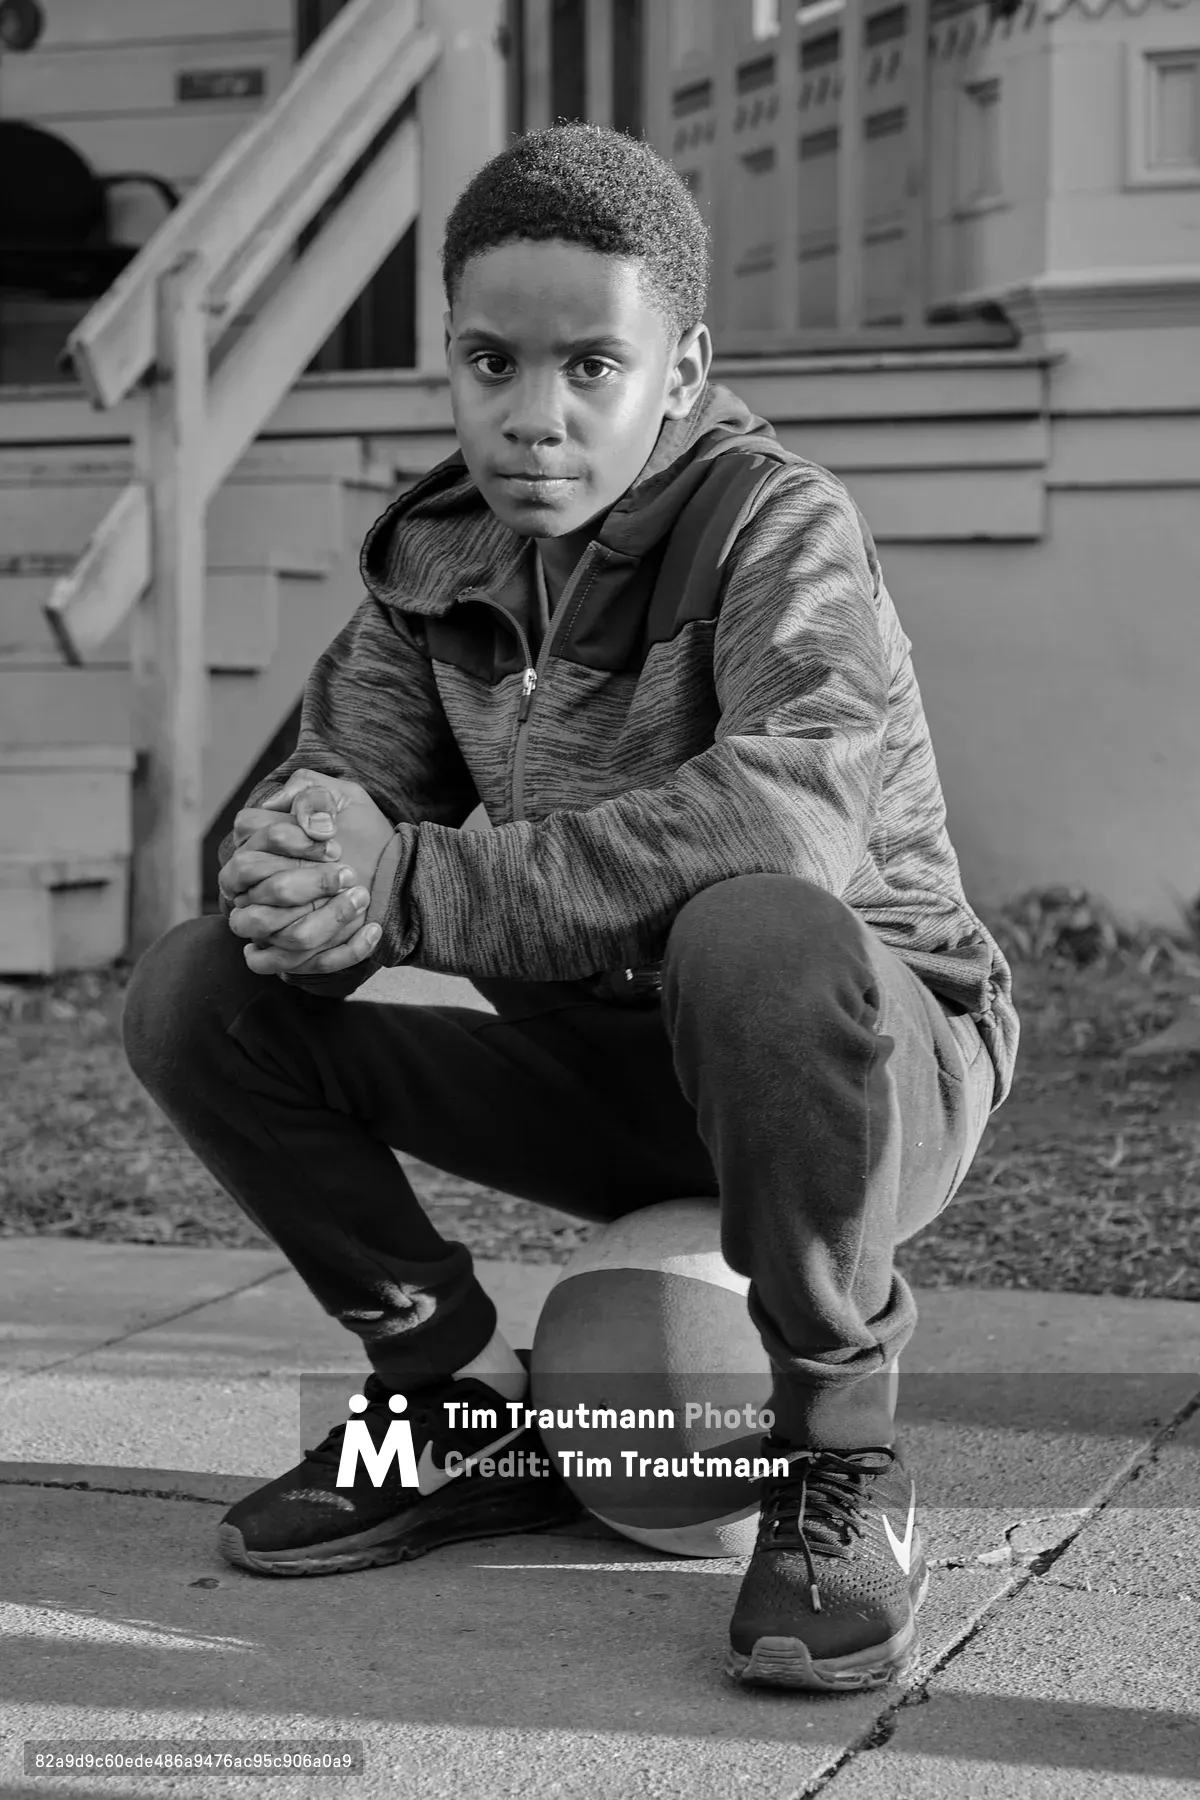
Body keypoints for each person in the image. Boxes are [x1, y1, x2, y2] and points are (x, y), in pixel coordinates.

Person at [122, 123, 1018, 1694]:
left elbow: (787, 816)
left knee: (753, 925)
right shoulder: (433, 562)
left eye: (592, 366)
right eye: (492, 362)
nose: (535, 417)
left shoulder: (773, 526)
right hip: (614, 1063)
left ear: (680, 372)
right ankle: (455, 1401)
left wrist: (415, 887)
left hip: (863, 1067)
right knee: (199, 991)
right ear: (451, 359)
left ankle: (842, 1464)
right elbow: (326, 803)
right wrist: (301, 870)